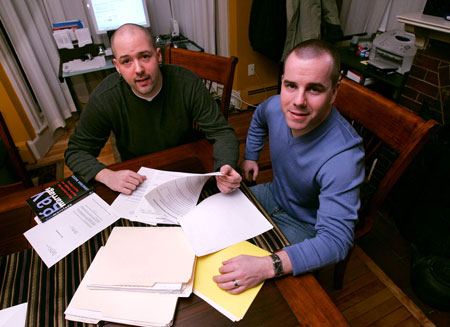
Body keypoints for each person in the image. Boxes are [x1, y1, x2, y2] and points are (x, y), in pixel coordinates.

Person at [213, 39, 365, 294]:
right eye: (291, 85)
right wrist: (251, 155)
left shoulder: (345, 157)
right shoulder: (275, 106)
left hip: (307, 225)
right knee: (213, 223)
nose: (298, 101)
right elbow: (260, 118)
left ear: (335, 90)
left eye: (314, 89)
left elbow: (337, 241)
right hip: (273, 194)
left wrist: (268, 265)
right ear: (282, 81)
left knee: (247, 286)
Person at [65, 24, 241, 194]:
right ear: (117, 66)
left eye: (144, 56)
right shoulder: (105, 97)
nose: (139, 69)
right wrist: (106, 175)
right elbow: (76, 151)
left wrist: (224, 167)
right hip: (138, 177)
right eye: (127, 61)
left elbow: (221, 132)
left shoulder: (187, 83)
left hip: (186, 168)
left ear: (158, 56)